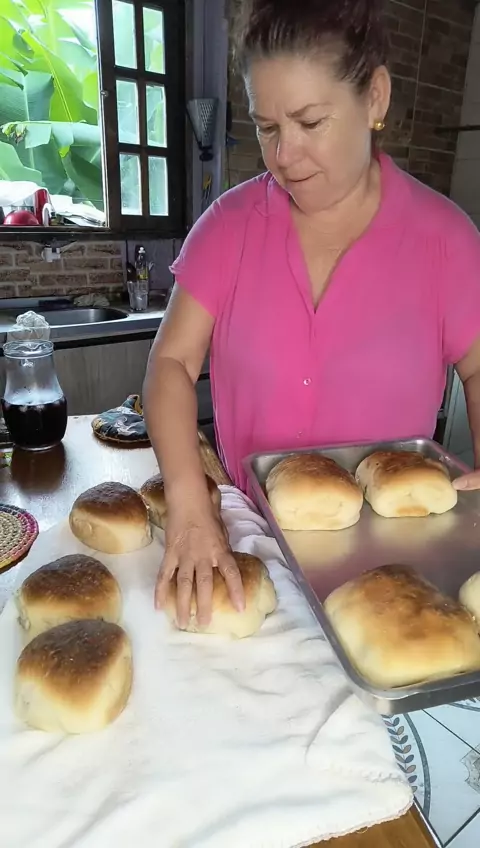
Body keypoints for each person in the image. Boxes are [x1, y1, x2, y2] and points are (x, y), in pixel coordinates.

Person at [143, 0, 480, 627]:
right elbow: (171, 364)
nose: (284, 155)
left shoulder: (447, 240)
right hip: (247, 542)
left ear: (374, 98)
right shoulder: (229, 227)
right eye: (266, 127)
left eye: (310, 122)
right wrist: (189, 506)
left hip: (393, 562)